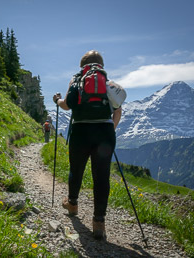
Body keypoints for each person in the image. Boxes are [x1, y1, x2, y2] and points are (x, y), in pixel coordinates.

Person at [53, 50, 122, 240]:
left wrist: (57, 100)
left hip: (80, 132)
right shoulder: (107, 84)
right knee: (101, 177)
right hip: (104, 134)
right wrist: (110, 130)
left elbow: (67, 105)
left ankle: (72, 204)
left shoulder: (77, 80)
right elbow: (117, 111)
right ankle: (99, 222)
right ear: (101, 65)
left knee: (76, 169)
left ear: (82, 66)